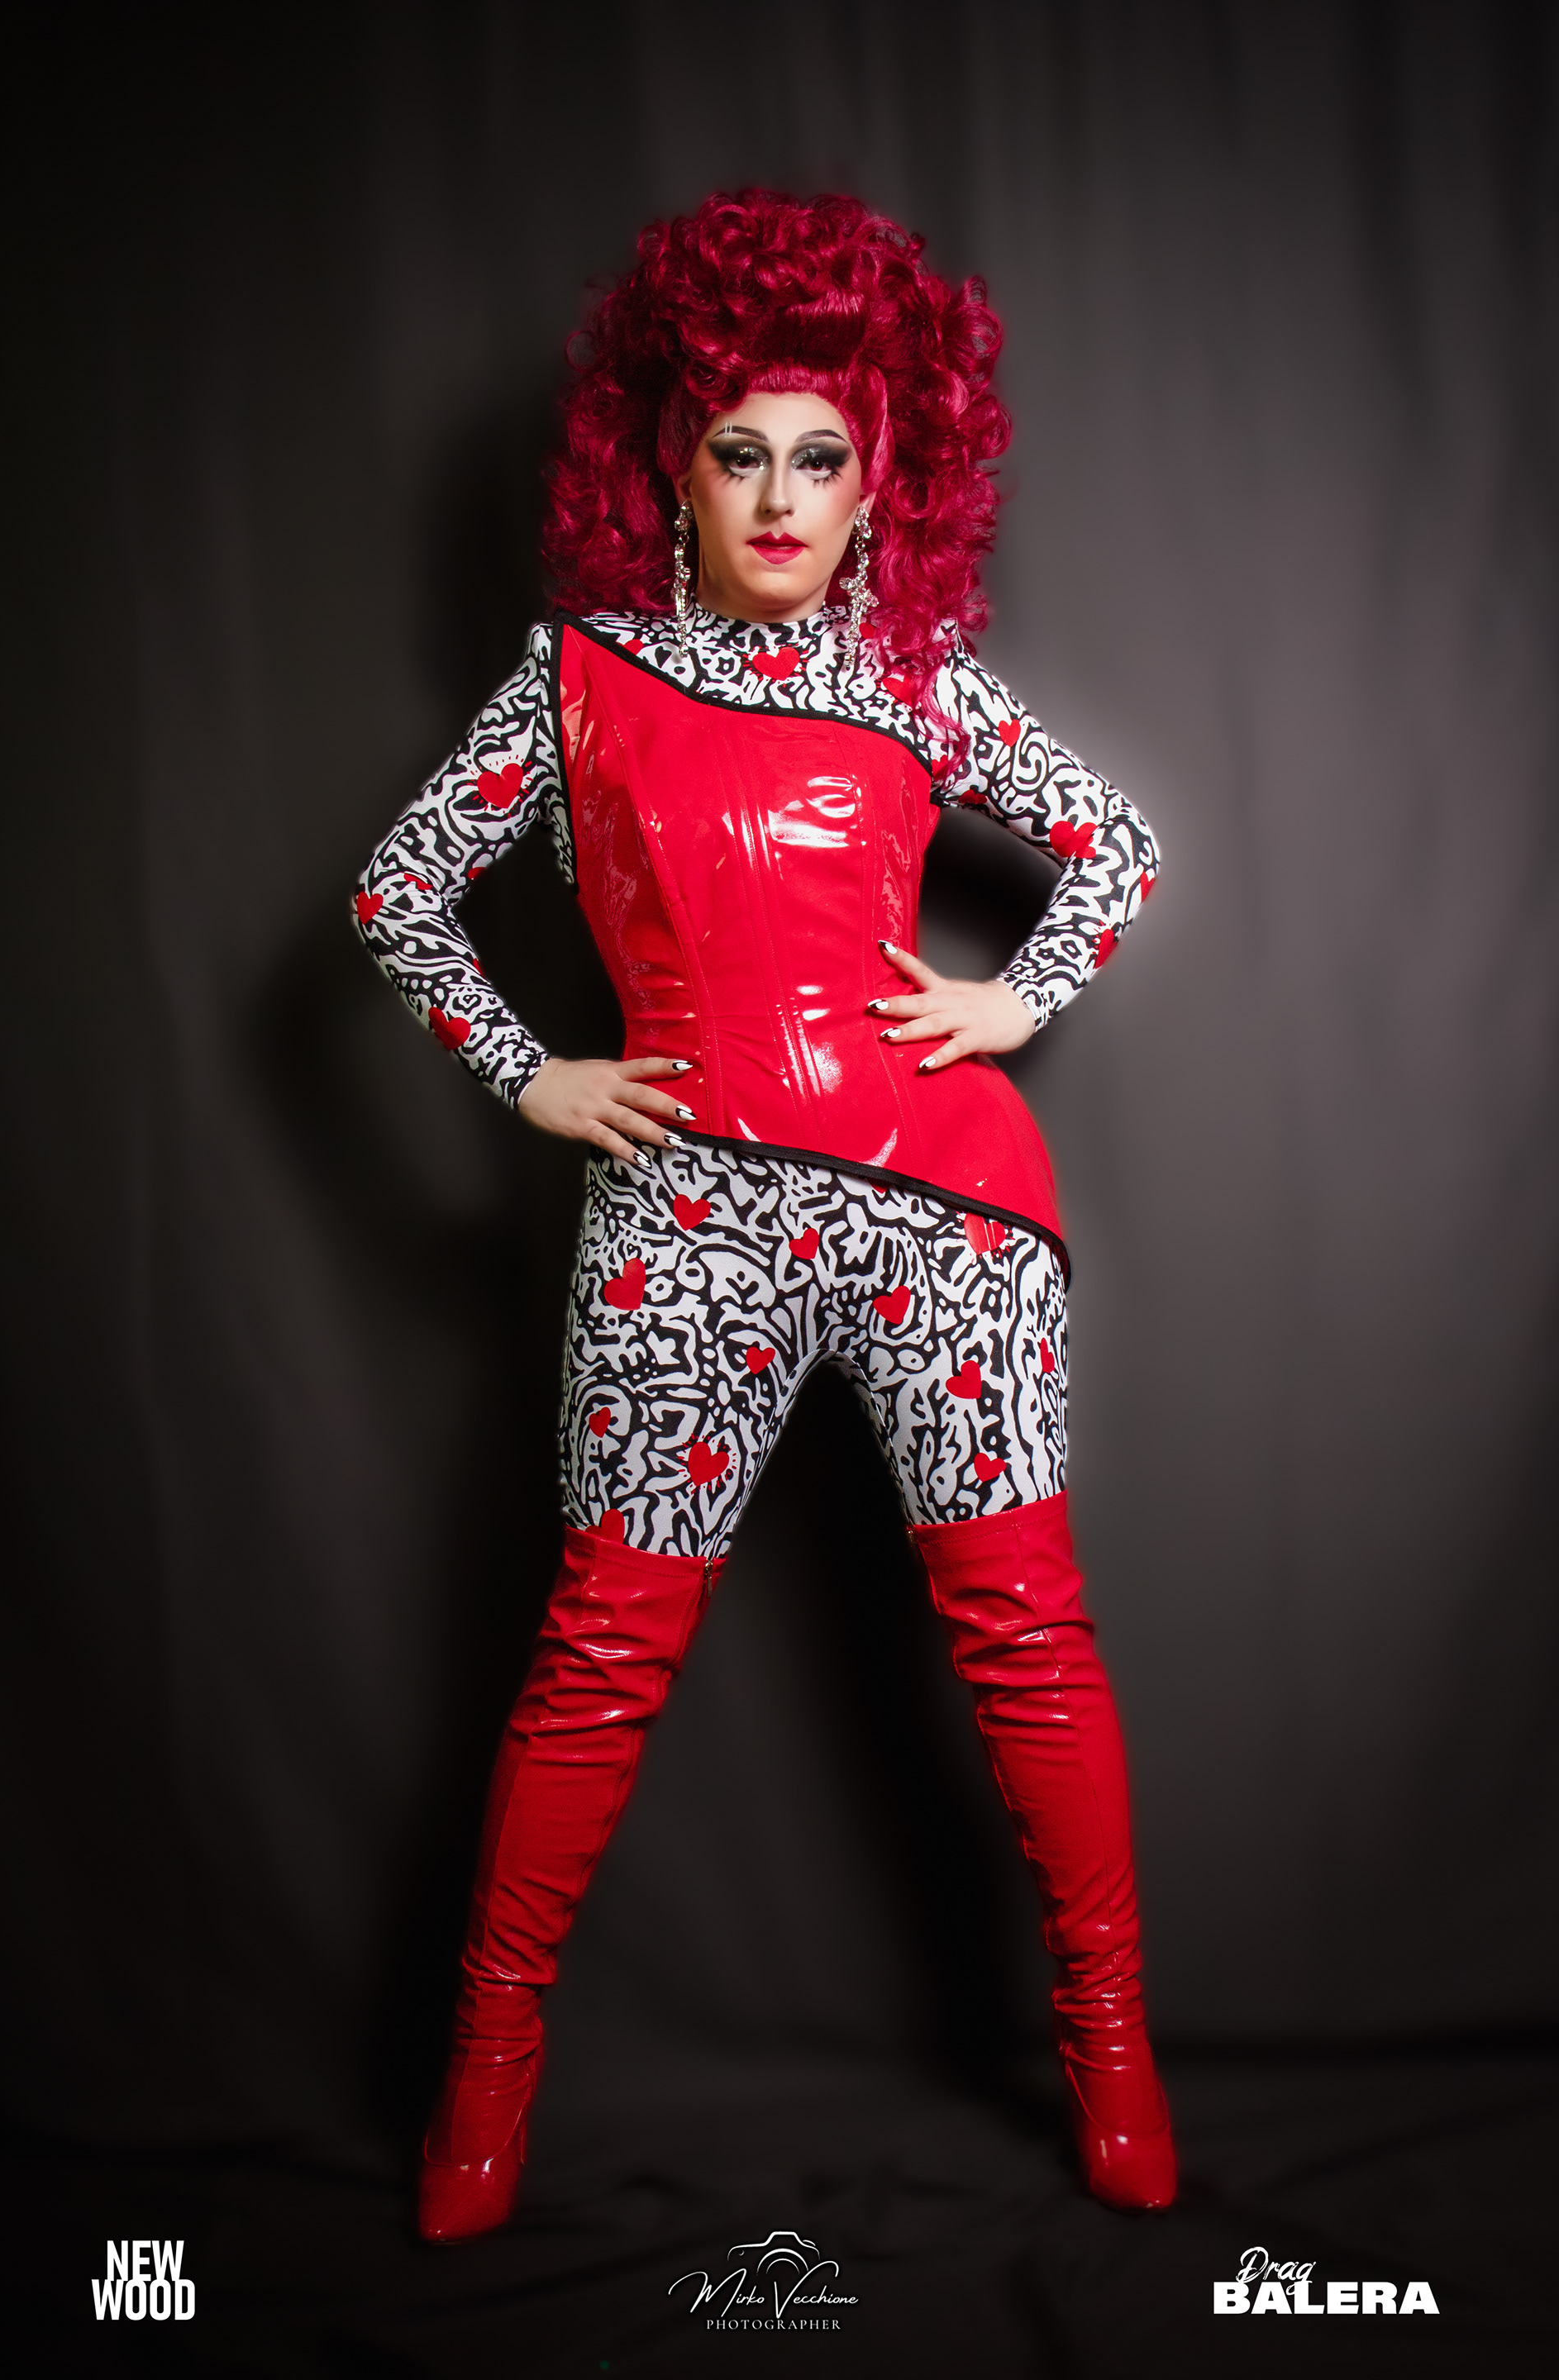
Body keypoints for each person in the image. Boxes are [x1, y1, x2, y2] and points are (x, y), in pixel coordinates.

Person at [355, 188, 1175, 2241]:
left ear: (885, 475)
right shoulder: (578, 677)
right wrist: (528, 1070)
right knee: (601, 1648)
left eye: (824, 456)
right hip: (684, 1216)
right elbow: (397, 895)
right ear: (672, 463)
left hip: (942, 1217)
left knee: (1028, 1637)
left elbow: (1115, 844)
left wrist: (1008, 1002)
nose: (785, 498)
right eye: (743, 453)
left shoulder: (916, 679)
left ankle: (1111, 2042)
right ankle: (486, 2068)